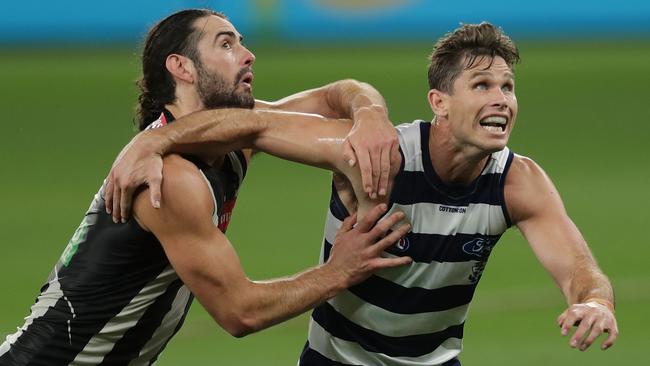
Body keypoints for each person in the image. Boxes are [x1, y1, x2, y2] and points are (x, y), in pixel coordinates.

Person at [105, 22, 619, 365]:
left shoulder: (517, 181)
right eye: (482, 86)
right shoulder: (376, 155)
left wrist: (595, 302)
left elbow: (579, 269)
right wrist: (155, 140)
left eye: (507, 87)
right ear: (439, 102)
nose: (501, 99)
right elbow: (256, 125)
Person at [0, 9, 413, 365]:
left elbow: (334, 97)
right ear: (182, 67)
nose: (249, 55)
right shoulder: (169, 178)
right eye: (227, 44)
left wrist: (370, 112)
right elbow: (240, 312)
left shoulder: (234, 139)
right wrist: (337, 272)